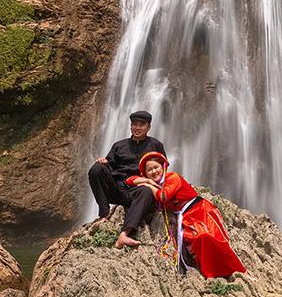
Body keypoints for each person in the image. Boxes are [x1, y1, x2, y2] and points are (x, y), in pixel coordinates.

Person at [127, 151, 245, 279]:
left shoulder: (173, 178)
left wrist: (148, 185)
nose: (154, 171)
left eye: (156, 167)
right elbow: (129, 180)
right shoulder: (157, 182)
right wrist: (145, 180)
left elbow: (163, 196)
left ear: (163, 167)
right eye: (149, 170)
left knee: (206, 237)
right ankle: (209, 272)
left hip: (198, 211)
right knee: (192, 241)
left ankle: (231, 270)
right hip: (184, 215)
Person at [88, 110, 165, 249]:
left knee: (146, 191)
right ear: (130, 126)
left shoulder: (156, 145)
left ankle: (124, 234)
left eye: (142, 124)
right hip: (117, 189)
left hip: (138, 190)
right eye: (134, 124)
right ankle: (104, 213)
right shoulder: (119, 145)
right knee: (96, 169)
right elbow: (109, 166)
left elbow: (161, 169)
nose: (137, 127)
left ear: (149, 127)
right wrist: (103, 162)